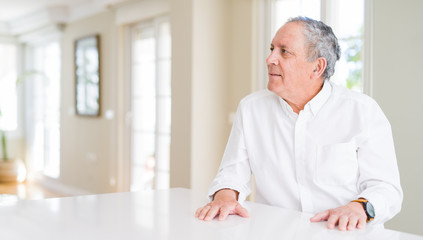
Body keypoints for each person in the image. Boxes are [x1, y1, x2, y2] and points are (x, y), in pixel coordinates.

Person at [195, 16, 403, 231]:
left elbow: (387, 189)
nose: (270, 59)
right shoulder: (251, 109)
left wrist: (359, 208)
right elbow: (231, 174)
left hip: (345, 233)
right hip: (276, 232)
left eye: (284, 51)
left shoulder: (362, 111)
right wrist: (225, 196)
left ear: (317, 67)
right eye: (272, 48)